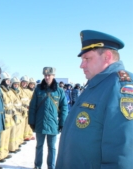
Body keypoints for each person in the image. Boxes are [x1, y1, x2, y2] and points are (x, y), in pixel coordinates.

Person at [56, 30, 133, 169]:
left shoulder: (120, 86)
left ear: (107, 57)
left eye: (87, 59)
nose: (81, 65)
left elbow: (123, 151)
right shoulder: (96, 84)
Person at [28, 67, 68, 169]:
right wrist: (31, 121)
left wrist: (62, 123)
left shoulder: (59, 91)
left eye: (49, 75)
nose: (46, 77)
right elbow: (32, 106)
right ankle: (37, 166)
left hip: (53, 124)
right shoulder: (38, 89)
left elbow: (64, 108)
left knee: (52, 148)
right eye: (45, 75)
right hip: (40, 123)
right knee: (39, 147)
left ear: (53, 76)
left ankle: (51, 166)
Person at [0, 72, 14, 163]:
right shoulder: (1, 90)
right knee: (2, 137)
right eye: (7, 80)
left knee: (7, 136)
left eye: (9, 80)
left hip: (9, 116)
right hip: (4, 116)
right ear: (2, 81)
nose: (9, 82)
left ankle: (4, 153)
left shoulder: (7, 90)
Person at [19, 75, 35, 141]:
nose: (24, 84)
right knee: (21, 125)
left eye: (26, 82)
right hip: (21, 109)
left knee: (27, 124)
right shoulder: (19, 90)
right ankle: (22, 137)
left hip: (28, 109)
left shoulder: (29, 91)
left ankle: (26, 135)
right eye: (23, 82)